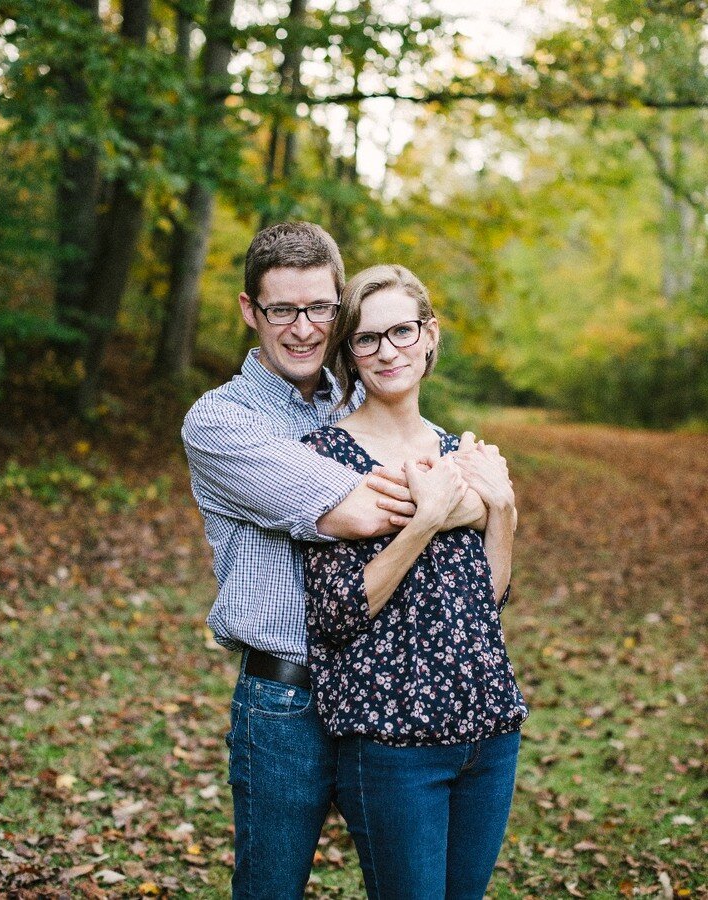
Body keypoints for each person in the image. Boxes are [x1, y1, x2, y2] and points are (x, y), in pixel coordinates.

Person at [182, 222, 489, 899]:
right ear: (249, 310)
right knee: (272, 888)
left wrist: (483, 503)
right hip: (287, 701)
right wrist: (463, 499)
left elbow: (449, 479)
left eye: (319, 307)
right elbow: (357, 511)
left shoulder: (357, 398)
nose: (301, 328)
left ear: (340, 305)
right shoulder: (222, 422)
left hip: (384, 694)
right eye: (281, 309)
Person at [302, 264, 529, 900]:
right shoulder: (324, 456)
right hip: (394, 742)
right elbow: (337, 613)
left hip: (487, 732)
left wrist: (502, 509)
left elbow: (485, 602)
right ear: (349, 353)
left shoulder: (462, 453)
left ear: (429, 335)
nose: (387, 351)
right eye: (366, 339)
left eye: (402, 331)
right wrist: (427, 519)